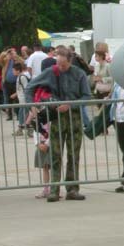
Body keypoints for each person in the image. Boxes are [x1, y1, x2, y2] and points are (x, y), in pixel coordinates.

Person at [25, 47, 92, 202]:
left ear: (70, 61)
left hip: (74, 117)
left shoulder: (79, 74)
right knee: (55, 154)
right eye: (58, 64)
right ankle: (54, 190)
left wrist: (70, 104)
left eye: (63, 65)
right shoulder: (51, 72)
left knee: (73, 155)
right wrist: (31, 105)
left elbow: (87, 96)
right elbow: (30, 87)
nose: (60, 68)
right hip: (56, 118)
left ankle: (72, 189)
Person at [12, 62, 32, 136]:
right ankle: (26, 129)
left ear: (18, 70)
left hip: (24, 100)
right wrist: (15, 94)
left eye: (13, 70)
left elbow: (26, 88)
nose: (13, 72)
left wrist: (27, 99)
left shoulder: (22, 77)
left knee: (23, 114)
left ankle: (22, 129)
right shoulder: (19, 77)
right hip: (21, 100)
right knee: (23, 114)